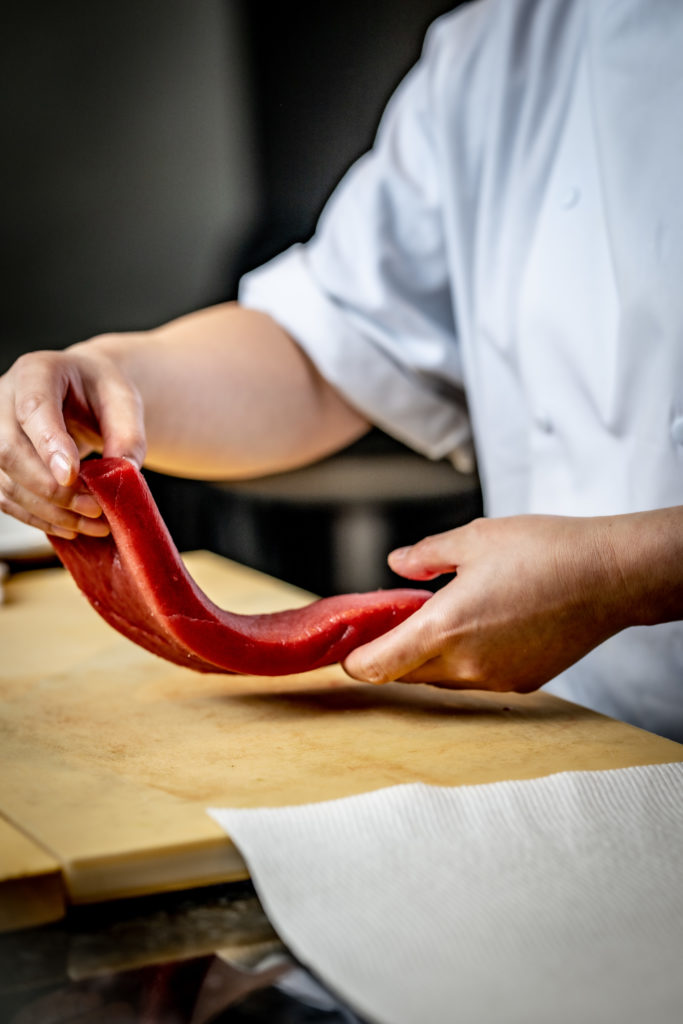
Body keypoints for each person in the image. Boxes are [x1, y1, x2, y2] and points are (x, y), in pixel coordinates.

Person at [1, 0, 682, 741]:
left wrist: (621, 571)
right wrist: (109, 376)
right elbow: (329, 346)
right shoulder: (499, 41)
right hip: (569, 727)